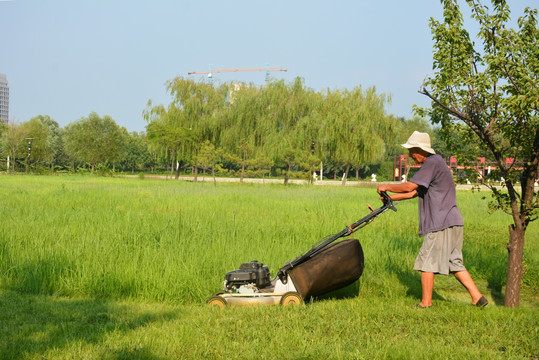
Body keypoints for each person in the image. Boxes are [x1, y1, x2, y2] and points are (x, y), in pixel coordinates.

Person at [377, 131, 488, 308]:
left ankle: (425, 304)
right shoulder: (438, 163)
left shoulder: (431, 162)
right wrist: (389, 197)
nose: (410, 155)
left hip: (441, 222)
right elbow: (414, 193)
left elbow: (409, 186)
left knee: (426, 262)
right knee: (454, 263)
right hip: (454, 221)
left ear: (421, 150)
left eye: (412, 151)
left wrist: (385, 186)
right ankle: (478, 297)